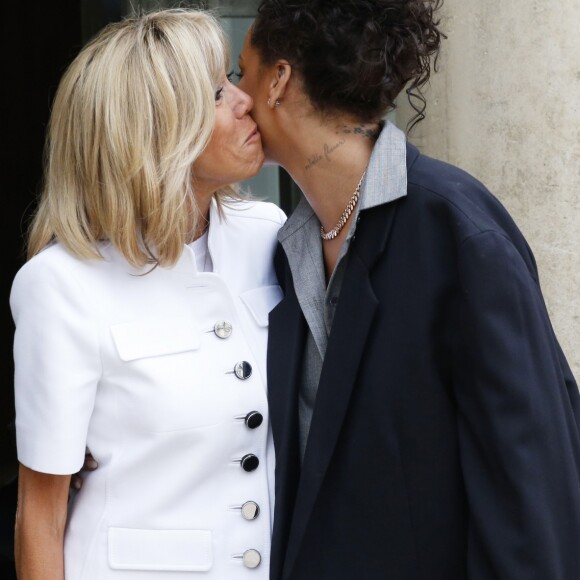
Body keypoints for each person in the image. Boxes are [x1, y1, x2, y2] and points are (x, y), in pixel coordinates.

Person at [233, 0, 580, 578]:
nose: (237, 95)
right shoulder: (288, 247)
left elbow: (533, 489)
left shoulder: (459, 233)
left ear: (279, 80)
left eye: (241, 72)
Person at [11, 9, 285, 579]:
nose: (244, 101)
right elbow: (41, 515)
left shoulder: (272, 234)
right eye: (215, 92)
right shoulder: (62, 284)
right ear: (157, 131)